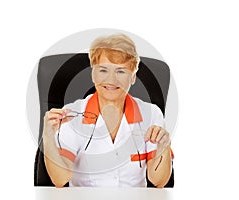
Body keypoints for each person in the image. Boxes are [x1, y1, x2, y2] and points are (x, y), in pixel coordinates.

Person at [42, 34, 173, 188]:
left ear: (133, 77)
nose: (111, 79)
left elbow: (159, 181)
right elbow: (60, 179)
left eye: (121, 71)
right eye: (103, 70)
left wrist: (164, 145)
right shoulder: (72, 114)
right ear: (93, 74)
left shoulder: (151, 114)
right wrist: (48, 136)